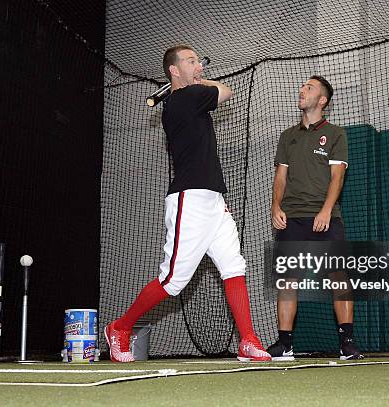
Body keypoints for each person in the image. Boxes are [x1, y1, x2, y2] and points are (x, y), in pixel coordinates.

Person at [105, 45, 270, 363]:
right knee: (173, 281)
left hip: (214, 201)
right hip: (190, 201)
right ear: (174, 71)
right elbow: (226, 90)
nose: (199, 65)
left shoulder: (187, 97)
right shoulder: (183, 99)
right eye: (191, 61)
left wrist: (195, 80)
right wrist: (199, 82)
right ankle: (120, 328)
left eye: (199, 60)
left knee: (234, 267)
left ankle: (248, 340)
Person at [268, 76, 363, 361]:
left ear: (322, 101)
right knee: (287, 280)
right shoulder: (288, 136)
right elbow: (280, 177)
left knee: (339, 277)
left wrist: (325, 210)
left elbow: (338, 176)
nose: (302, 90)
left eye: (309, 88)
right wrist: (275, 206)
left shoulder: (336, 134)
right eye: (302, 87)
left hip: (325, 217)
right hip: (292, 218)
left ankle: (346, 342)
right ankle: (285, 344)